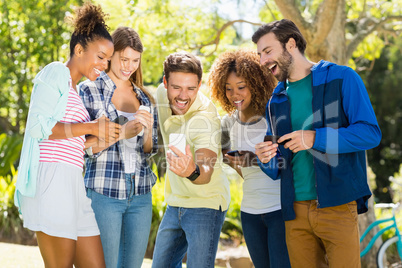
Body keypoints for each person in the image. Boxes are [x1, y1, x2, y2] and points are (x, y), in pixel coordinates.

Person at [252, 19, 382, 268]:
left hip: (338, 205)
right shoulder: (275, 100)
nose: (262, 61)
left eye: (267, 51)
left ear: (291, 44)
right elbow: (277, 166)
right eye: (259, 54)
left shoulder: (342, 78)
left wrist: (315, 138)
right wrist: (266, 158)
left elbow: (369, 133)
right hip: (294, 212)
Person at [14, 2, 119, 267]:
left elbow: (71, 142)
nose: (105, 65)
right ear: (79, 49)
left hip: (73, 180)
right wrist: (91, 127)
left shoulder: (76, 90)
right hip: (51, 178)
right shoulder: (55, 72)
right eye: (100, 57)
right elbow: (40, 128)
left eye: (108, 60)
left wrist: (100, 138)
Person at [79, 26, 158, 268]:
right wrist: (123, 133)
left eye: (135, 61)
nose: (129, 66)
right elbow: (84, 146)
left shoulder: (144, 97)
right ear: (111, 55)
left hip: (141, 193)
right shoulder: (89, 89)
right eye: (124, 59)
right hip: (104, 192)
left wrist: (148, 127)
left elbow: (148, 150)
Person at [208, 48, 291, 268]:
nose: (235, 95)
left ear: (256, 83)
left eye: (241, 87)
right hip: (250, 212)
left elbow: (289, 163)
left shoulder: (272, 117)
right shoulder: (228, 123)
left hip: (279, 210)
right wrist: (234, 161)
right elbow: (232, 160)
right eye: (228, 89)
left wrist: (254, 160)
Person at [151, 51, 230, 268]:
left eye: (191, 88)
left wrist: (191, 171)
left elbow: (205, 172)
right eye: (176, 87)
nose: (183, 96)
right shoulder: (160, 94)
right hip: (175, 202)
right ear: (165, 83)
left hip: (206, 203)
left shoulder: (206, 118)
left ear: (199, 85)